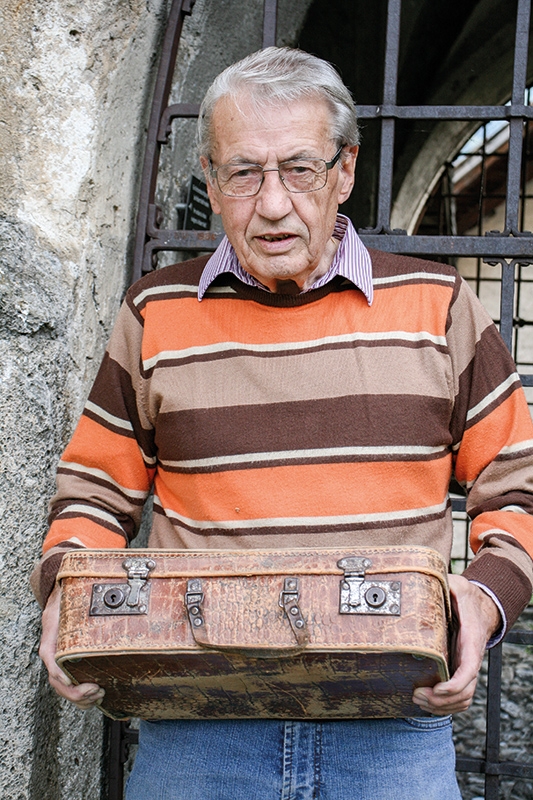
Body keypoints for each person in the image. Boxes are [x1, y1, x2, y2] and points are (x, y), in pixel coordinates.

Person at [33, 47, 533, 799]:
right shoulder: (154, 313)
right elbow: (94, 495)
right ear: (210, 180)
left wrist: (485, 597)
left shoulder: (438, 306)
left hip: (393, 729)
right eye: (243, 173)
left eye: (299, 169)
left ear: (345, 171)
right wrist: (64, 595)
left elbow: (518, 486)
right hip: (196, 730)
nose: (271, 203)